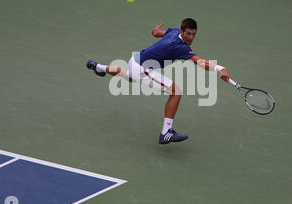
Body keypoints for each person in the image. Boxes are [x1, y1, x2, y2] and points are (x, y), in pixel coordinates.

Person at [87, 18, 230, 144]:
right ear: (182, 31)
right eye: (188, 34)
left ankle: (98, 67)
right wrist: (220, 68)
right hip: (142, 67)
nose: (191, 37)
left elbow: (156, 33)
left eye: (194, 34)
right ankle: (166, 132)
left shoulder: (173, 31)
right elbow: (199, 62)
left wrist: (156, 30)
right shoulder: (179, 47)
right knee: (176, 92)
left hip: (135, 59)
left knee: (130, 77)